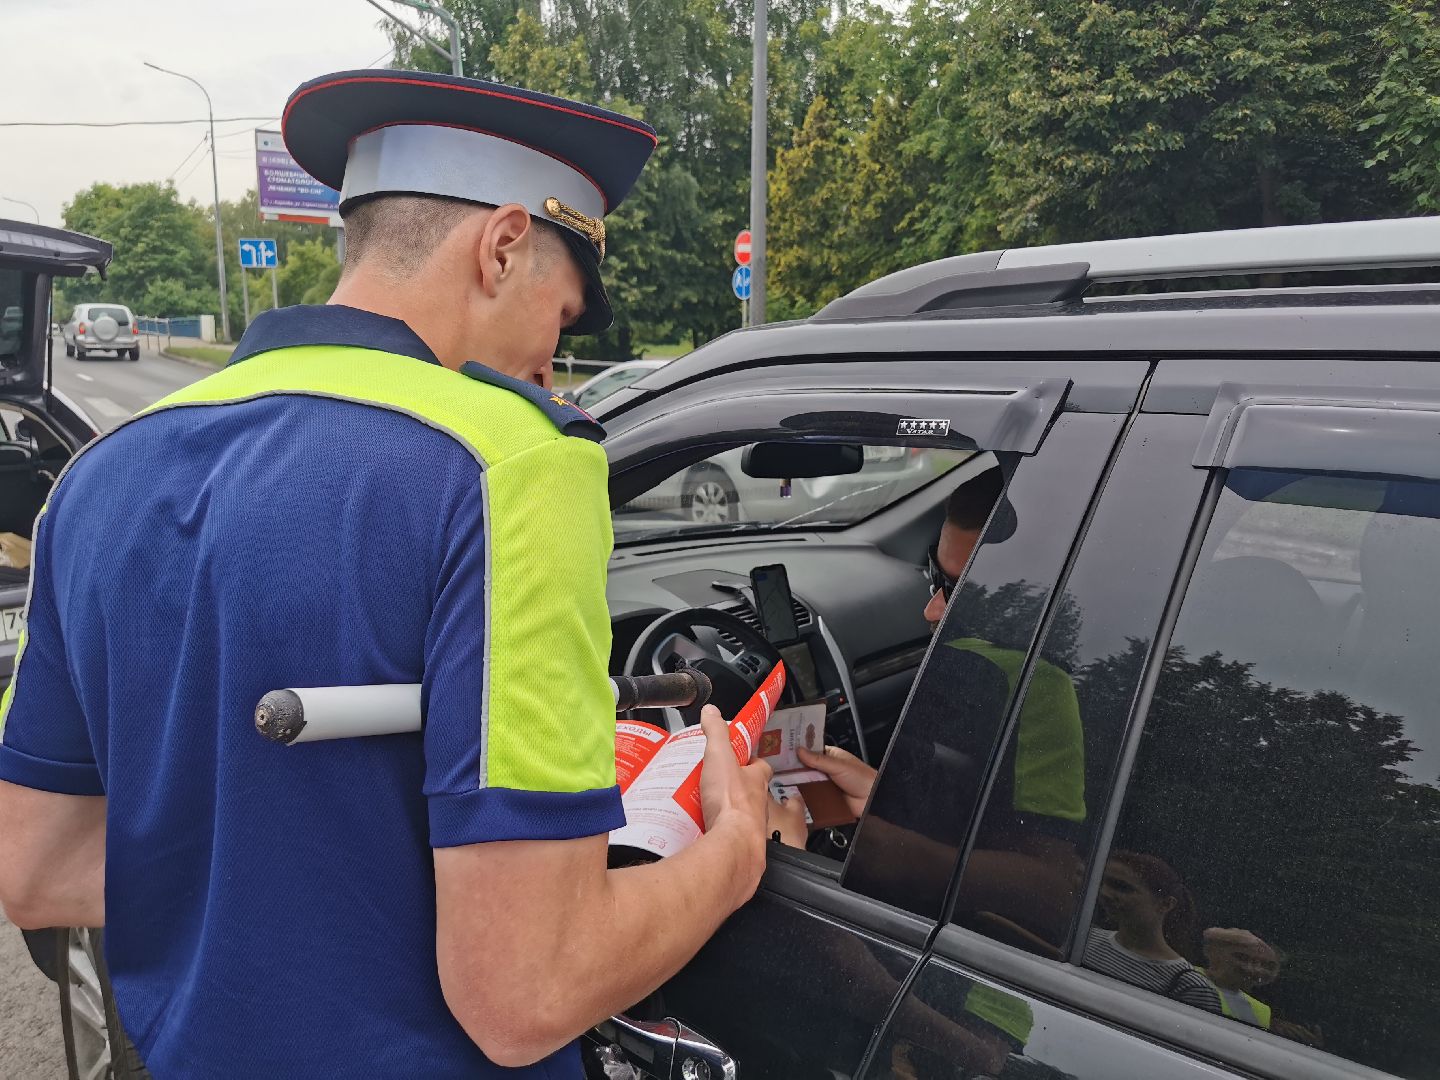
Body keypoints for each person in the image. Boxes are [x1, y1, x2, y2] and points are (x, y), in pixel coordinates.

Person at [0, 69, 774, 1078]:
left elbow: (39, 868)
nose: (548, 365)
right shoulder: (513, 461)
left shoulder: (101, 474)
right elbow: (525, 992)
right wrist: (732, 854)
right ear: (501, 248)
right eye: (560, 313)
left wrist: (275, 858)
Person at [774, 467, 1086, 946]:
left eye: (968, 592)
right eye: (935, 577)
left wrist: (876, 846)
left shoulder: (1041, 683)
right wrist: (878, 797)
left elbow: (1054, 890)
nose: (933, 611)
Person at [1085, 851, 1222, 1013]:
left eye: (1122, 888)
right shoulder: (1087, 939)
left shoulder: (1191, 986)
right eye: (1103, 883)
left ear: (1166, 904)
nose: (1105, 893)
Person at [1201, 926, 1280, 1029]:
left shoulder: (1262, 1011)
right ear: (1212, 952)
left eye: (1265, 965)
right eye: (1242, 957)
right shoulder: (1185, 975)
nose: (1253, 969)